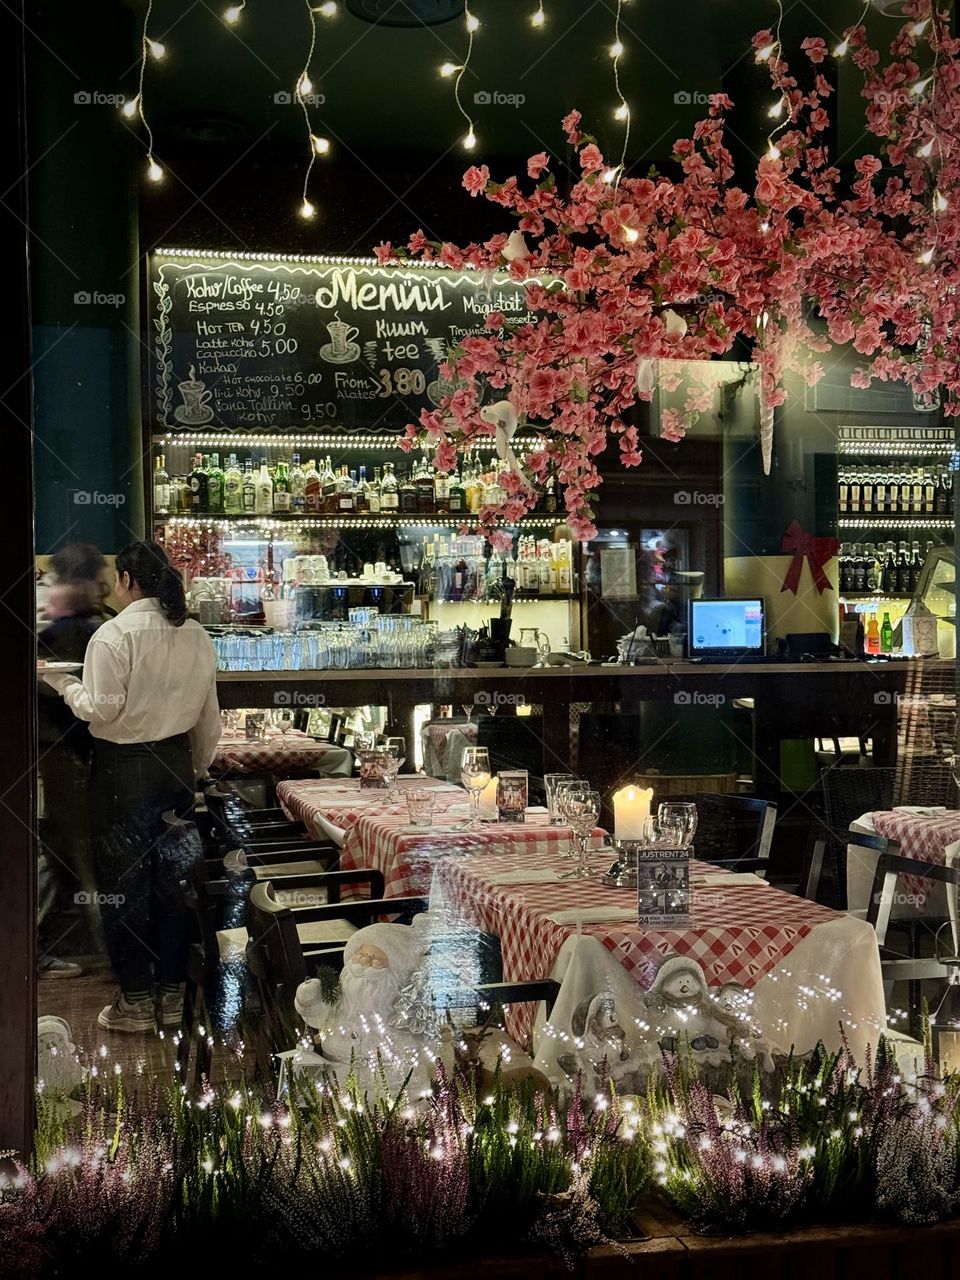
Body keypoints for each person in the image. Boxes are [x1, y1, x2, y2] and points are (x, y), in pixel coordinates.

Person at [42, 541, 220, 1034]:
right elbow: (209, 722)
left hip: (123, 775)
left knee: (125, 892)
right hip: (175, 770)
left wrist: (63, 684)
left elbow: (100, 708)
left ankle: (136, 1002)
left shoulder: (113, 635)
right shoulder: (197, 634)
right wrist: (196, 771)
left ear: (126, 580)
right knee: (174, 889)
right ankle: (171, 995)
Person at [37, 579, 106, 977]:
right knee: (79, 854)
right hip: (68, 756)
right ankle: (113, 953)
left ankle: (36, 945)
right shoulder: (84, 632)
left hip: (55, 754)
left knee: (61, 853)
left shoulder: (63, 631)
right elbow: (94, 705)